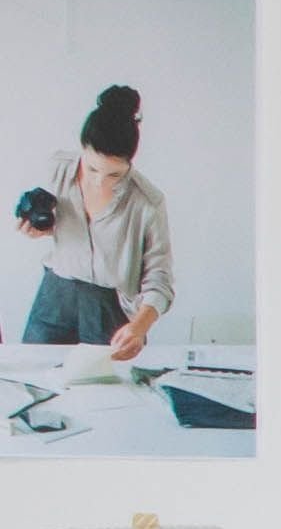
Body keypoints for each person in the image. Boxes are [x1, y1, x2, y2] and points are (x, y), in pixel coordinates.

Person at [19, 86, 173, 359]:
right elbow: (52, 221)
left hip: (109, 307)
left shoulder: (147, 203)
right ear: (82, 149)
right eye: (92, 169)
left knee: (106, 382)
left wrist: (139, 327)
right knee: (35, 372)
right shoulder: (58, 168)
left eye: (115, 174)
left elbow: (159, 278)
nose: (100, 181)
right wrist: (39, 228)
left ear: (130, 163)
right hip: (55, 294)